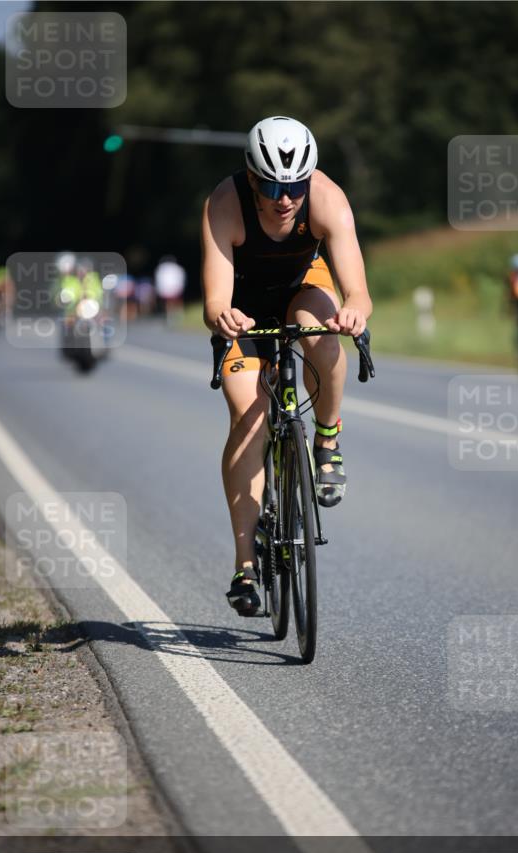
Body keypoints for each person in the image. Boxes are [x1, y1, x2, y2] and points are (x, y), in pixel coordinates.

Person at [201, 115, 372, 615]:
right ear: (252, 178)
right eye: (273, 185)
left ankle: (327, 439)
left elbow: (356, 288)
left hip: (302, 284)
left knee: (321, 335)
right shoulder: (224, 204)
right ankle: (244, 565)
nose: (285, 198)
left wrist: (356, 309)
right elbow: (215, 300)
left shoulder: (328, 199)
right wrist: (222, 316)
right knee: (249, 416)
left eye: (294, 185)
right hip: (245, 301)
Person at [155, 255, 186, 322]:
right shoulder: (178, 268)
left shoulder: (160, 268)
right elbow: (181, 278)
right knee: (177, 302)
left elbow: (159, 280)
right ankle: (178, 314)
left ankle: (170, 316)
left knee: (168, 303)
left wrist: (160, 290)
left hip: (166, 289)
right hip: (176, 288)